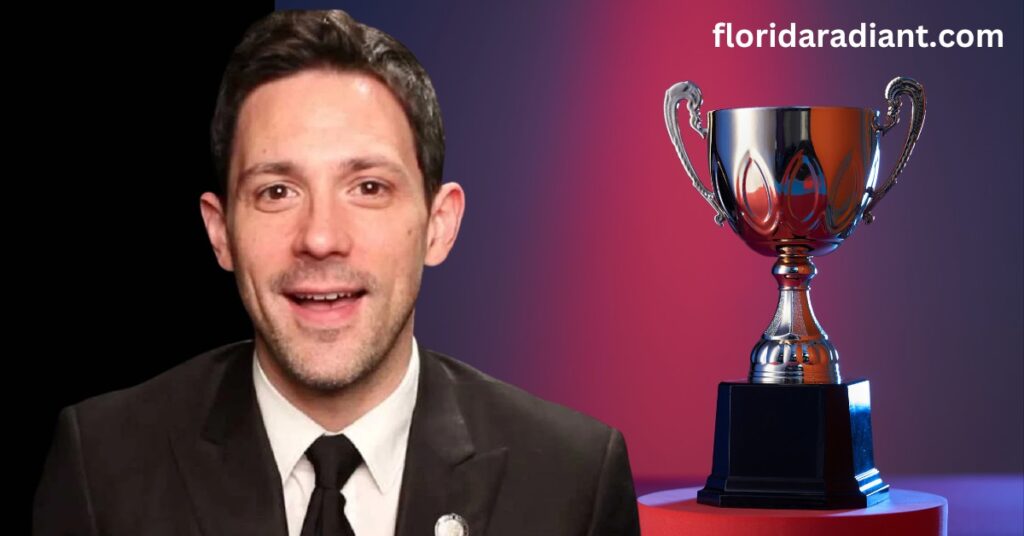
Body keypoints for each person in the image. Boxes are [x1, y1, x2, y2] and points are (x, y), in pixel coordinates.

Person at [33, 8, 640, 536]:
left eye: (368, 187)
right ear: (221, 233)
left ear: (439, 224)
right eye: (276, 191)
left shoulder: (572, 479)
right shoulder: (103, 463)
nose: (320, 238)